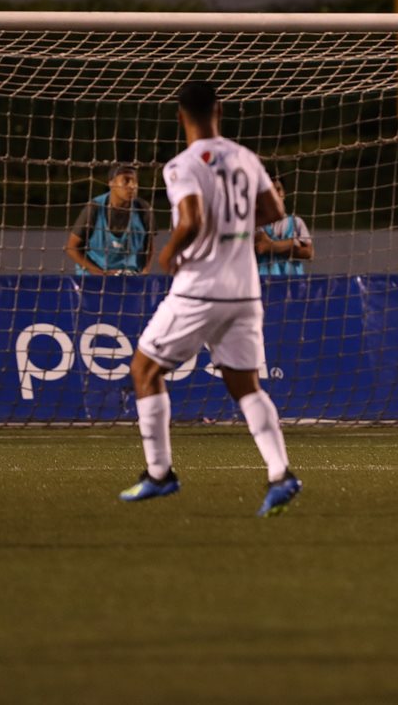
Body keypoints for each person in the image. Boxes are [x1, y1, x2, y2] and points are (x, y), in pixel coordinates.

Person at [118, 81, 302, 517]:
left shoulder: (181, 165)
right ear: (219, 110)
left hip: (201, 287)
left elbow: (192, 218)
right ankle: (280, 474)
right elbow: (276, 212)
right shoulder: (245, 157)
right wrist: (235, 227)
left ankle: (159, 475)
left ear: (181, 115)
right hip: (245, 289)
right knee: (245, 385)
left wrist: (169, 250)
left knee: (144, 369)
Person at [66, 164, 154, 275]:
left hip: (129, 276)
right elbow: (71, 248)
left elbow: (149, 245)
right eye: (126, 180)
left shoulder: (143, 208)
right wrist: (101, 273)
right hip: (94, 277)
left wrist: (145, 270)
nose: (132, 186)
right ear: (111, 183)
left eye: (135, 181)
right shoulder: (94, 208)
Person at [256, 177, 314, 275]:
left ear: (284, 194)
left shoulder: (296, 222)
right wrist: (292, 243)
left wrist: (270, 246)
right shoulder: (258, 222)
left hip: (292, 283)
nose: (275, 193)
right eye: (271, 191)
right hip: (264, 283)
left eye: (278, 189)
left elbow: (308, 253)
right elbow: (260, 247)